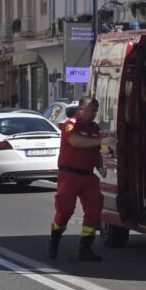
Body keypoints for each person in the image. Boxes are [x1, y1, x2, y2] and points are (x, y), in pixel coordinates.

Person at [49, 96, 106, 262]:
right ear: (81, 109)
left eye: (96, 111)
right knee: (65, 210)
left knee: (94, 211)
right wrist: (101, 140)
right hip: (70, 175)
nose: (95, 114)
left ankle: (85, 248)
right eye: (92, 110)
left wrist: (100, 164)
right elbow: (76, 141)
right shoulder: (71, 124)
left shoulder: (94, 127)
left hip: (88, 175)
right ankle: (54, 241)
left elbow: (95, 150)